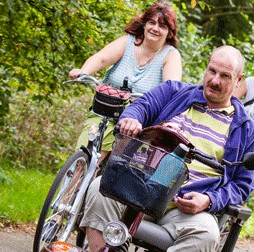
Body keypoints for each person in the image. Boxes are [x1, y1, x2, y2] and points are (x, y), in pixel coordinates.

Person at [79, 46, 254, 252]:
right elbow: (142, 105)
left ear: (238, 80)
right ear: (206, 69)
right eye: (212, 71)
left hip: (184, 207)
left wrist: (208, 200)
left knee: (207, 234)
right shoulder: (174, 92)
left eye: (225, 76)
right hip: (138, 183)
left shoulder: (247, 129)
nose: (214, 80)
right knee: (101, 186)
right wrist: (133, 118)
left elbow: (242, 185)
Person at [68, 1, 182, 163]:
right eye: (152, 22)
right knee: (83, 154)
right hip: (106, 108)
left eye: (162, 26)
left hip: (138, 121)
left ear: (170, 32)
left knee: (108, 163)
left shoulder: (170, 55)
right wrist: (83, 72)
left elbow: (171, 89)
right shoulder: (128, 42)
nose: (155, 28)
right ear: (144, 24)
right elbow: (101, 59)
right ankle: (74, 182)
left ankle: (88, 179)